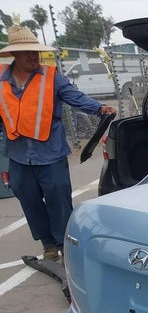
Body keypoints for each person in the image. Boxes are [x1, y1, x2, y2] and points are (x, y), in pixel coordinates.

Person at [0, 25, 116, 261]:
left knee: (58, 199)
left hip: (50, 152)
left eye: (36, 52)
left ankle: (65, 244)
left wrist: (98, 108)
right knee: (28, 198)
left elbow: (75, 97)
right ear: (14, 54)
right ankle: (48, 244)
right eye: (27, 52)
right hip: (18, 154)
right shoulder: (1, 80)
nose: (34, 56)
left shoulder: (52, 77)